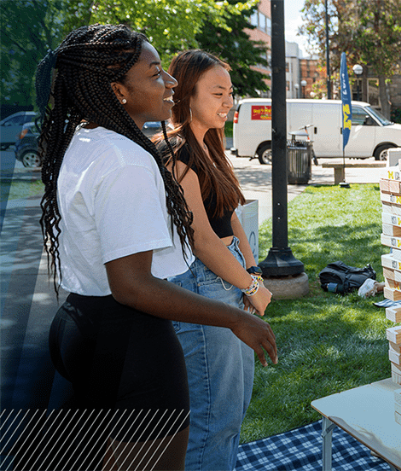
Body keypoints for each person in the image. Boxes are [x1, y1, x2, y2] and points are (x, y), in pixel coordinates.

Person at [34, 24, 277, 470]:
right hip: (129, 337)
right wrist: (235, 317)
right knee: (206, 428)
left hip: (83, 321)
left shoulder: (87, 141)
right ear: (117, 89)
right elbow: (131, 285)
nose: (168, 83)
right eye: (153, 74)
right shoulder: (128, 157)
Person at [155, 49, 271, 471]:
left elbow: (231, 217)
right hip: (206, 284)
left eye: (231, 92)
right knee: (213, 417)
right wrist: (251, 286)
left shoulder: (209, 145)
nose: (229, 102)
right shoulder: (177, 151)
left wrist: (253, 275)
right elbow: (203, 240)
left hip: (230, 278)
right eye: (218, 93)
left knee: (234, 406)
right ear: (186, 95)